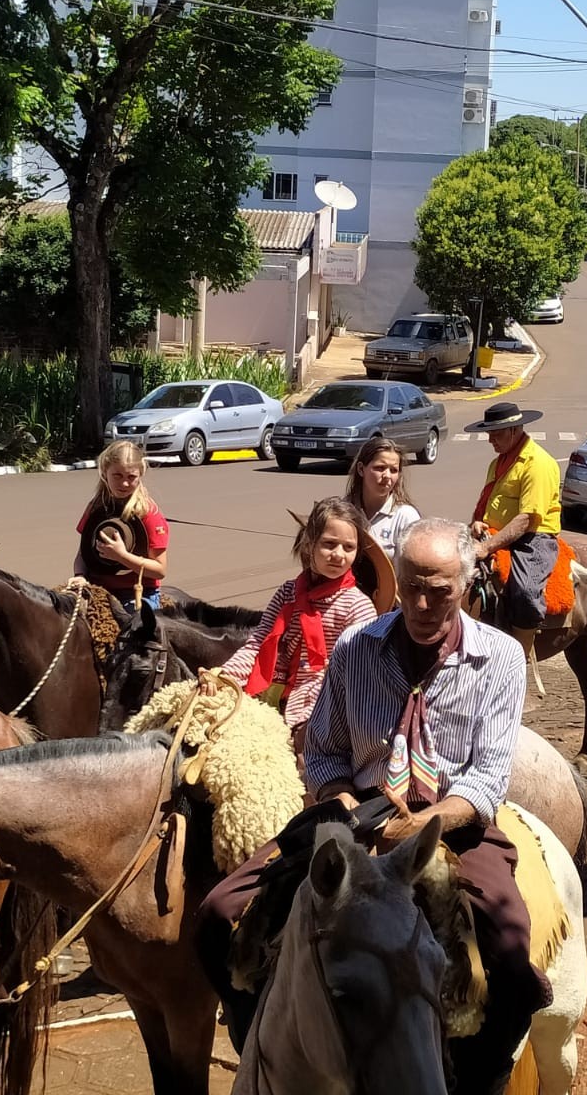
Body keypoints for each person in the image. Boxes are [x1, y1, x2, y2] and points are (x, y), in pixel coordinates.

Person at [196, 518, 548, 1095]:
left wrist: (424, 824)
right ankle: (259, 1042)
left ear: (466, 585)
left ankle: (480, 1077)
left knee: (508, 959)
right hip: (355, 813)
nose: (423, 603)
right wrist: (342, 807)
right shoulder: (358, 647)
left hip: (449, 820)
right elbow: (327, 753)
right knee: (217, 915)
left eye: (440, 591)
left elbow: (486, 779)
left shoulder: (501, 658)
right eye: (411, 586)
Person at [220, 497, 383, 750]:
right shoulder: (288, 593)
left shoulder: (357, 607)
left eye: (348, 548)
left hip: (323, 709)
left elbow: (358, 673)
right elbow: (258, 644)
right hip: (271, 695)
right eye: (329, 544)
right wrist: (224, 676)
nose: (338, 555)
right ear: (310, 545)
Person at [465, 402, 561, 660]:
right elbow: (486, 502)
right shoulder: (498, 463)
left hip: (533, 538)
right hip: (496, 533)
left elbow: (526, 519)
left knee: (526, 592)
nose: (490, 440)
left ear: (515, 429)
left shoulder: (538, 464)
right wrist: (477, 521)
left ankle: (519, 659)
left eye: (496, 434)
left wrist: (487, 546)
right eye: (489, 433)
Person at [73, 440, 169, 613]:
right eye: (117, 475)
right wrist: (80, 576)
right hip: (99, 589)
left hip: (138, 592)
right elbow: (83, 554)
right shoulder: (96, 507)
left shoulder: (148, 513)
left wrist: (121, 556)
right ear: (105, 472)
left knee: (132, 634)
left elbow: (160, 570)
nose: (124, 483)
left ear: (141, 475)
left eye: (131, 477)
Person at [345, 435, 420, 554]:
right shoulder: (344, 512)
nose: (387, 476)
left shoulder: (405, 517)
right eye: (380, 468)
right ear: (361, 469)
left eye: (393, 470)